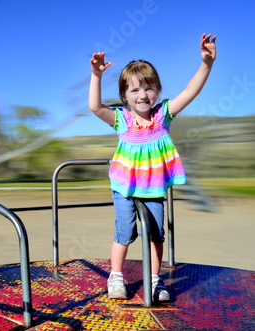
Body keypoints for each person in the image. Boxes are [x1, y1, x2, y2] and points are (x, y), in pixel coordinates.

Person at [88, 33, 217, 301]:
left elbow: (190, 91)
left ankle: (155, 281)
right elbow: (94, 106)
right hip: (124, 186)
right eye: (134, 90)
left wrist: (206, 64)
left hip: (153, 187)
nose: (142, 95)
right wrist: (97, 75)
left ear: (157, 90)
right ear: (124, 95)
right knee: (125, 231)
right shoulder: (121, 120)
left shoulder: (163, 115)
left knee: (157, 234)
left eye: (148, 88)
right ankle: (116, 277)